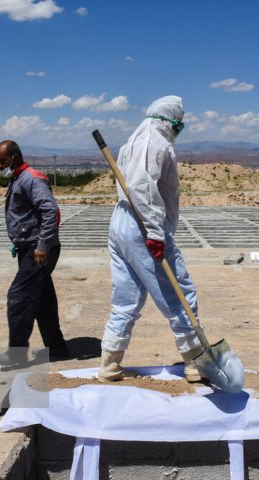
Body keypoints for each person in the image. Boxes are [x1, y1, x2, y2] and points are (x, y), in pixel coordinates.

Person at [98, 95, 204, 383]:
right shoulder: (152, 140)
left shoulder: (136, 138)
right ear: (168, 121)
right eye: (178, 125)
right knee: (178, 290)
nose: (178, 131)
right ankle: (195, 361)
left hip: (124, 222)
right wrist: (156, 233)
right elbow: (141, 187)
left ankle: (110, 363)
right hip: (142, 225)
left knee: (126, 295)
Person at [0, 140, 68, 365]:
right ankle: (56, 348)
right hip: (29, 248)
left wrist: (42, 246)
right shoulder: (18, 179)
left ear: (15, 157)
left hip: (38, 250)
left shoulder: (31, 179)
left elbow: (51, 212)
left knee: (19, 298)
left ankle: (16, 355)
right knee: (42, 299)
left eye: (3, 160)